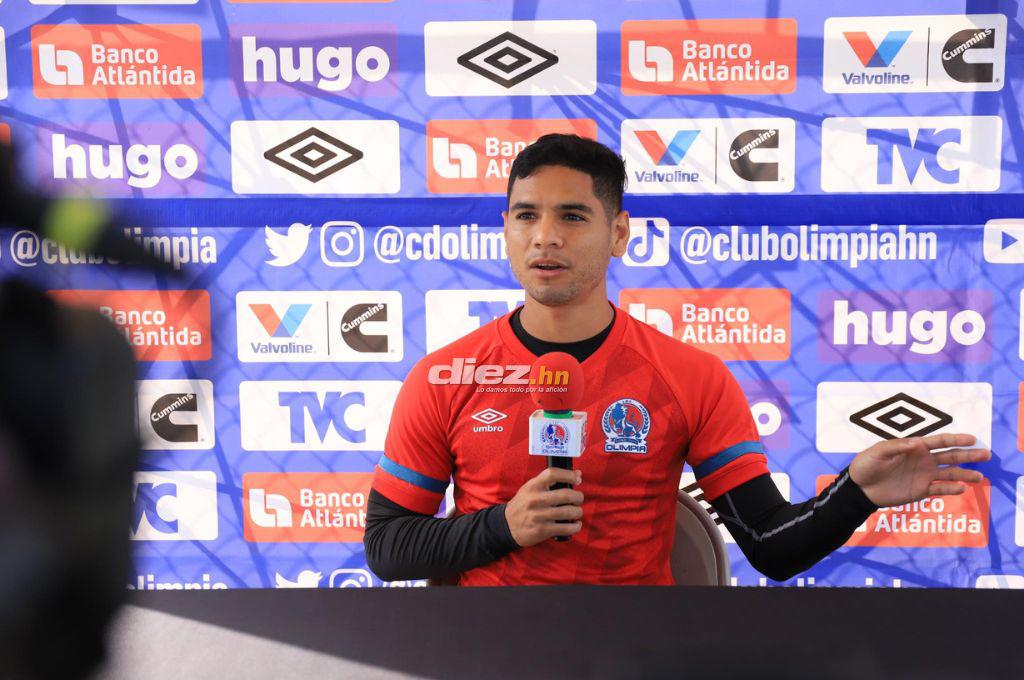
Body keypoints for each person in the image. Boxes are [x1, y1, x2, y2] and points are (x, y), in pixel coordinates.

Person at [362, 134, 989, 586]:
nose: (545, 236)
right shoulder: (445, 375)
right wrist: (504, 526)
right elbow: (388, 549)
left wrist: (855, 494)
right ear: (506, 229)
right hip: (487, 650)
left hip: (637, 651)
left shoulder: (691, 377)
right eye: (526, 215)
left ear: (619, 234)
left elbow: (770, 547)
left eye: (572, 216)